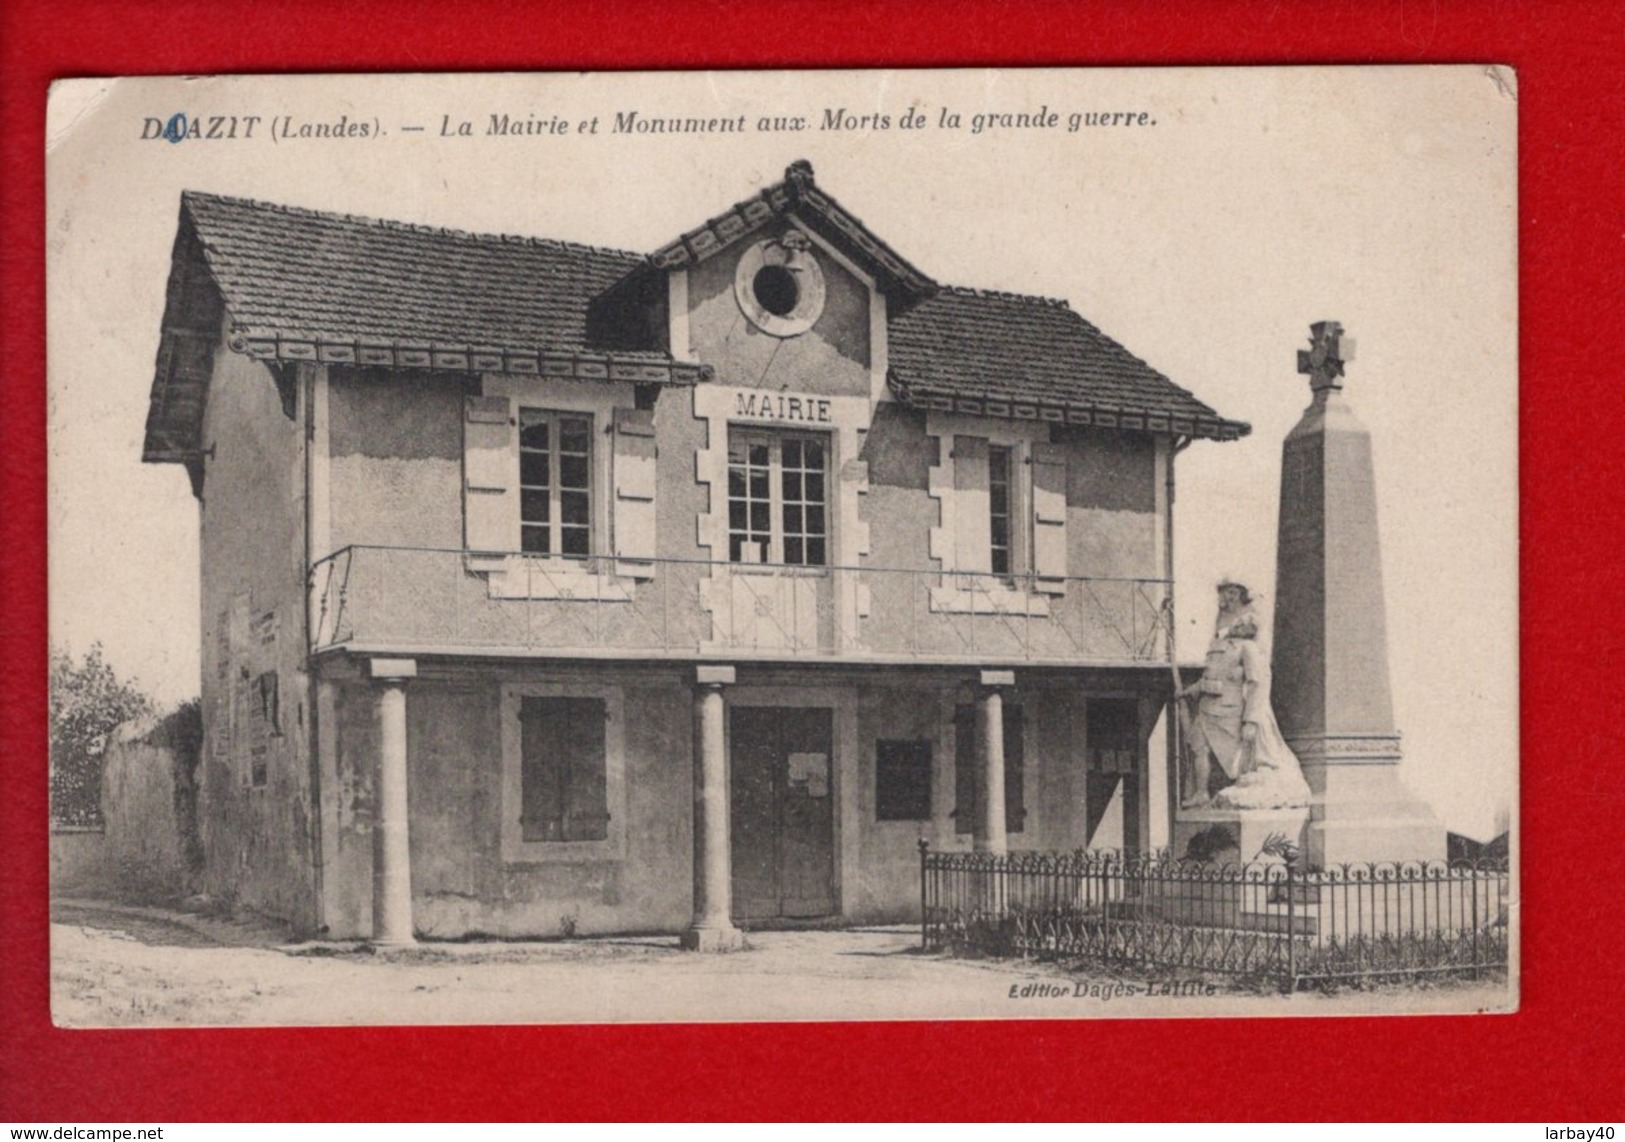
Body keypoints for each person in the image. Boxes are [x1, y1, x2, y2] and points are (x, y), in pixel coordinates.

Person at [1179, 580, 1310, 811]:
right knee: (1197, 745)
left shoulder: (1248, 649)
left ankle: (1244, 787)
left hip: (1231, 714)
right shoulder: (1217, 646)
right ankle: (1200, 792)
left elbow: (1258, 684)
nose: (1237, 624)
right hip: (1208, 710)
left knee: (1239, 759)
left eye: (1243, 622)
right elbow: (1207, 677)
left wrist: (1251, 719)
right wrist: (1189, 691)